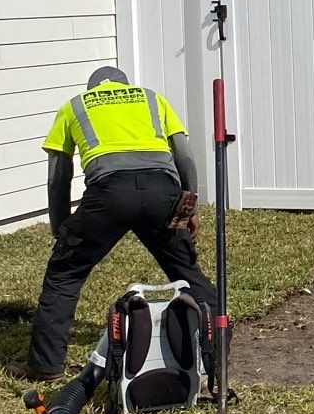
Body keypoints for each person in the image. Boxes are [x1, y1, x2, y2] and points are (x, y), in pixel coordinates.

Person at [23, 66, 217, 381]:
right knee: (186, 272)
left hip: (109, 194)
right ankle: (217, 347)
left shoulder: (75, 105)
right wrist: (188, 206)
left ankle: (46, 366)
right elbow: (185, 156)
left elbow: (57, 176)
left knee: (64, 275)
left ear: (92, 89)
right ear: (126, 85)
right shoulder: (152, 99)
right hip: (161, 192)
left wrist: (61, 228)